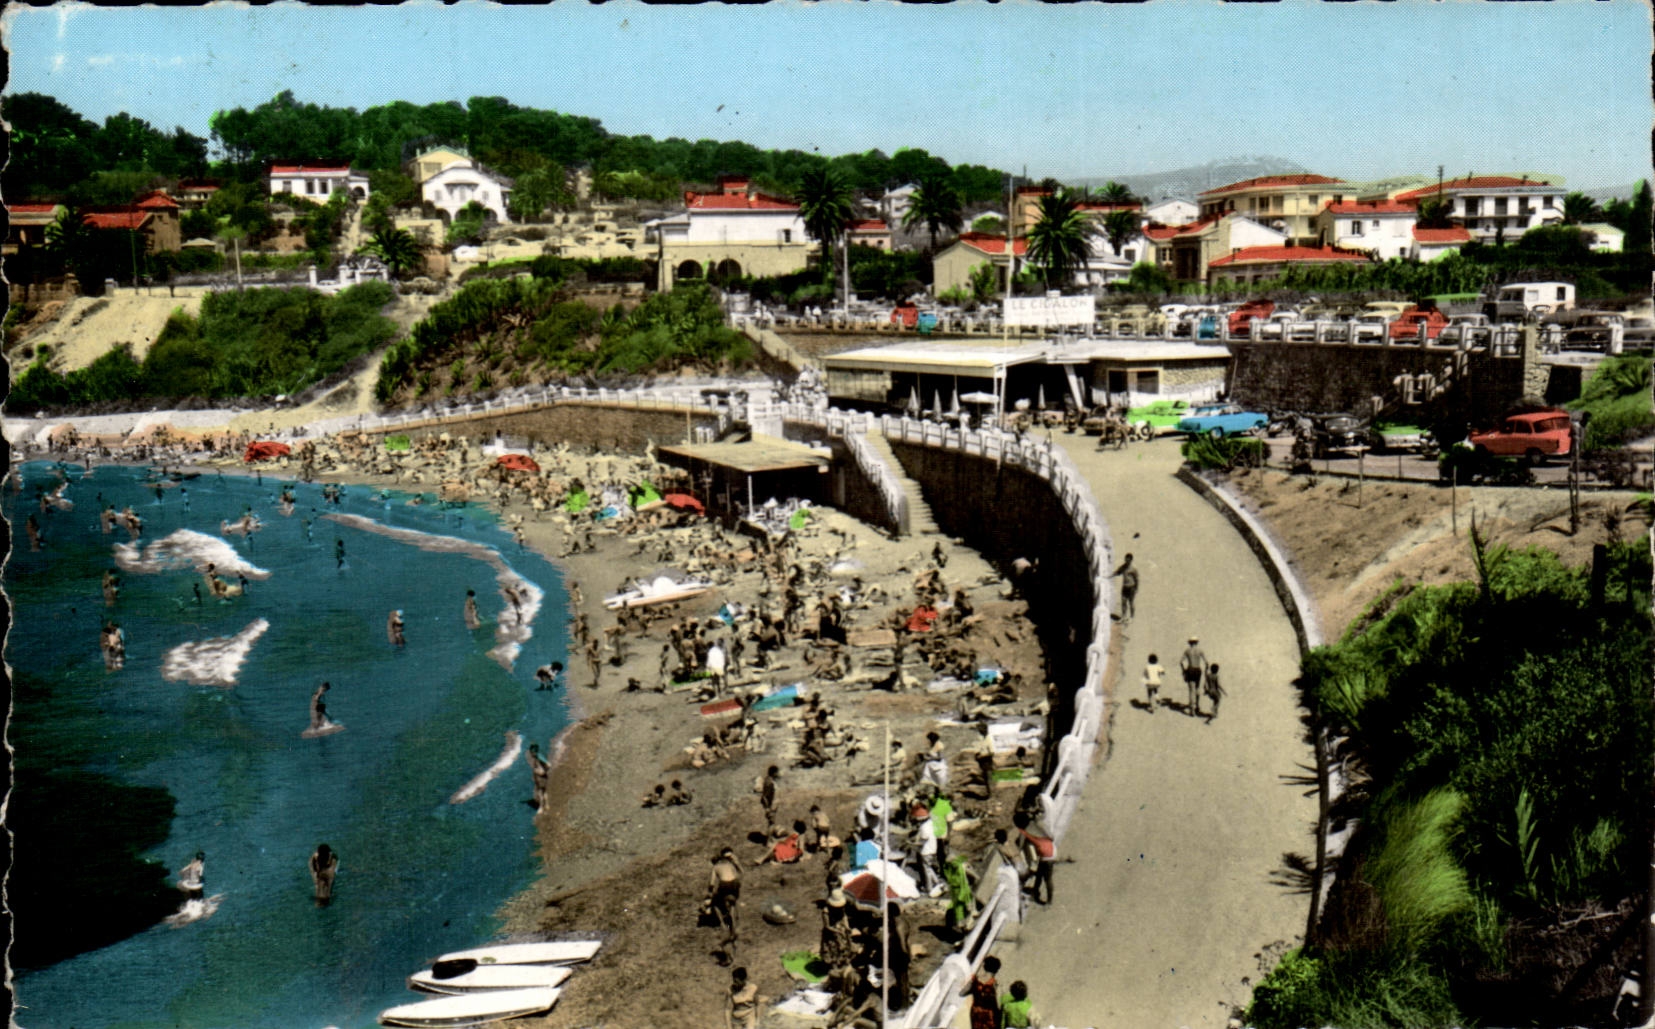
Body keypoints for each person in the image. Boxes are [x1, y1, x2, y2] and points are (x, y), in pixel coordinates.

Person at [705, 848, 742, 954]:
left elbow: (712, 883)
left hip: (725, 884)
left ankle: (722, 923)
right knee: (733, 901)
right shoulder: (729, 864)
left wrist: (710, 893)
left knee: (715, 903)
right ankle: (734, 916)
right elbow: (737, 875)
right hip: (735, 883)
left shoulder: (715, 867)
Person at [969, 955, 1002, 1029]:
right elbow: (999, 1004)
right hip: (989, 1014)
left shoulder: (975, 980)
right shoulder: (995, 983)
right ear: (996, 970)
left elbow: (962, 993)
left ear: (984, 967)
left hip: (976, 1012)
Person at [1180, 636, 1207, 718]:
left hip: (1190, 669)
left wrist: (1184, 670)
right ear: (1197, 642)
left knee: (1191, 690)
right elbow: (1206, 662)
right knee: (1197, 688)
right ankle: (1197, 705)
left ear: (1189, 643)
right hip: (1198, 670)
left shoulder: (1187, 651)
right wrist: (1206, 671)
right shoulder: (1200, 650)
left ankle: (1192, 709)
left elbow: (1181, 662)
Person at [1111, 553, 1139, 624]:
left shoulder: (1133, 569)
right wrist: (1110, 575)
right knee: (1123, 602)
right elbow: (1118, 572)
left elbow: (1137, 579)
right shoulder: (1123, 567)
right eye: (1126, 560)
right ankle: (1123, 617)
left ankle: (1131, 617)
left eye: (1128, 560)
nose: (1126, 561)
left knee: (1131, 602)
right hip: (1125, 587)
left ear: (1131, 560)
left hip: (1131, 587)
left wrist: (1136, 588)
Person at [525, 742, 552, 811]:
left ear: (533, 751)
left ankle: (541, 807)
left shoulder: (538, 756)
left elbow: (549, 764)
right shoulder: (539, 755)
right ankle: (547, 805)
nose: (531, 753)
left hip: (540, 777)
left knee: (540, 791)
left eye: (531, 752)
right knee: (544, 791)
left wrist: (542, 771)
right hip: (544, 776)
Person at [758, 765, 779, 829]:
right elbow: (765, 796)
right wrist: (767, 809)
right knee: (771, 824)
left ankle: (770, 835)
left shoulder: (769, 780)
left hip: (772, 805)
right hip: (771, 806)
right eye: (777, 772)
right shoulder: (769, 782)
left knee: (771, 823)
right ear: (774, 773)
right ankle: (769, 835)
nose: (778, 774)